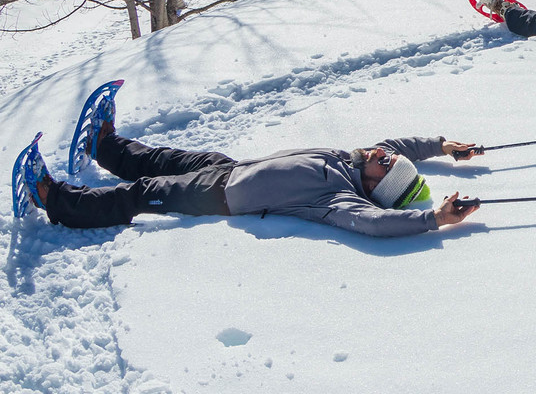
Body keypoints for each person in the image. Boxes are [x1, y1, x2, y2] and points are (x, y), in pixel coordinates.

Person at [17, 91, 483, 236]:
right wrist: (441, 145)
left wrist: (434, 218)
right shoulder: (353, 160)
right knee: (165, 158)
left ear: (377, 185)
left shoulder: (337, 198)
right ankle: (106, 147)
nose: (384, 154)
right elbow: (397, 142)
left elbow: (375, 224)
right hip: (231, 168)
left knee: (142, 194)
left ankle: (55, 199)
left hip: (220, 197)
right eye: (389, 155)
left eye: (388, 164)